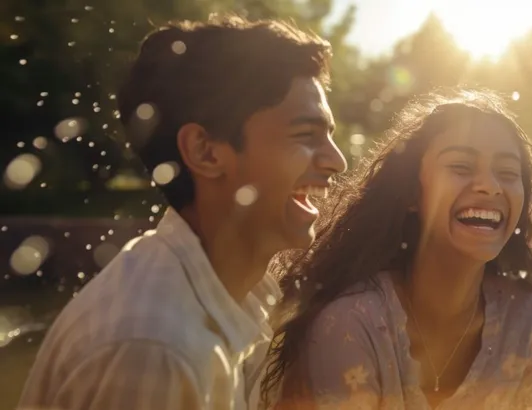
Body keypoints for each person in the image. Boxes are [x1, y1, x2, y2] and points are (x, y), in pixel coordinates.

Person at [18, 15, 346, 410]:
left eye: (330, 135)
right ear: (205, 152)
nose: (338, 161)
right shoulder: (155, 350)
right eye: (306, 135)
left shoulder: (242, 293)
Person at [262, 89, 532, 409]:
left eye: (508, 173)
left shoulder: (522, 317)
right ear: (413, 192)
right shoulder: (352, 322)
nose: (490, 185)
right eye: (461, 166)